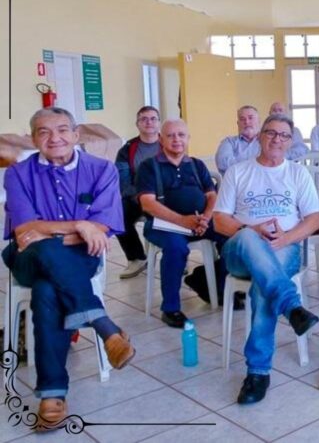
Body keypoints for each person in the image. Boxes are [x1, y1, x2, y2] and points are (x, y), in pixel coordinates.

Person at [2, 107, 136, 429]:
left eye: (62, 130)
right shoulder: (18, 173)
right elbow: (23, 231)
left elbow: (104, 226)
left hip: (80, 258)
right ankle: (103, 326)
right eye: (44, 132)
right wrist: (79, 225)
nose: (54, 138)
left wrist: (48, 229)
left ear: (76, 136)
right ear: (33, 139)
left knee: (48, 289)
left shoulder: (102, 170)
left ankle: (52, 394)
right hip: (27, 259)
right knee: (42, 252)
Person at [214, 114, 319, 404]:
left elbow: (314, 219)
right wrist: (250, 230)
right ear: (261, 136)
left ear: (290, 142)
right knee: (251, 238)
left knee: (264, 286)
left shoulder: (298, 173)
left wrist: (285, 238)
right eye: (271, 133)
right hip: (240, 249)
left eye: (284, 135)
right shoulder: (238, 171)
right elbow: (219, 220)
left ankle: (258, 373)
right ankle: (291, 305)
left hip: (284, 246)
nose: (277, 139)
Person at [137, 119, 226, 328]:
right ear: (161, 139)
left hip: (199, 220)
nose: (176, 139)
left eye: (181, 135)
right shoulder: (149, 167)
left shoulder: (196, 164)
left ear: (188, 138)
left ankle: (211, 284)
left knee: (232, 235)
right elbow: (147, 204)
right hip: (163, 224)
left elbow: (212, 195)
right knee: (177, 249)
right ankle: (170, 308)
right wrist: (183, 221)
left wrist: (206, 216)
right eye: (170, 135)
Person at [115, 106, 161, 279]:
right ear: (137, 124)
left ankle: (176, 255)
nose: (148, 122)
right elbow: (123, 182)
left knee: (179, 208)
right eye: (144, 119)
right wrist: (143, 196)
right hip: (137, 196)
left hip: (166, 196)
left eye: (153, 118)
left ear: (159, 123)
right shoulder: (127, 150)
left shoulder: (170, 142)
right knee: (117, 214)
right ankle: (136, 258)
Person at [216, 106, 261, 174]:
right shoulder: (229, 142)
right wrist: (259, 163)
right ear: (238, 123)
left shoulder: (268, 142)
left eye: (250, 118)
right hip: (236, 183)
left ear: (258, 121)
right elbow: (223, 164)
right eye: (242, 119)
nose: (246, 122)